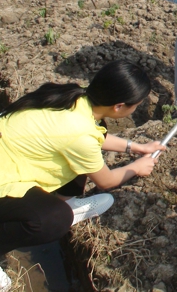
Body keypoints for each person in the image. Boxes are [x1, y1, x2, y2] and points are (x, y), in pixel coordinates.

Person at [0, 60, 165, 256]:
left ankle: (65, 201)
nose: (135, 109)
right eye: (136, 106)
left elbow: (93, 138)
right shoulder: (80, 135)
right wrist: (137, 168)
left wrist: (137, 147)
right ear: (119, 107)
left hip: (10, 159)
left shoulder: (75, 98)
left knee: (85, 159)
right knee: (55, 220)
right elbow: (106, 181)